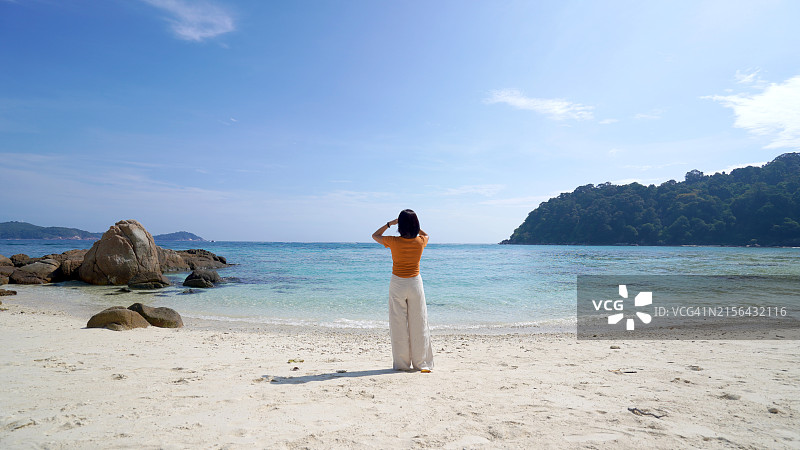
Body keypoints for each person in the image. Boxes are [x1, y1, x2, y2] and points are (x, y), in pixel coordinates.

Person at [372, 209, 434, 372]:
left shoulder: (393, 241)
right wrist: (416, 227)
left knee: (398, 323)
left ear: (400, 225)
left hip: (398, 283)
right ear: (415, 224)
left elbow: (375, 235)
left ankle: (402, 364)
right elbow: (427, 234)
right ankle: (421, 363)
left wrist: (389, 224)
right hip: (415, 283)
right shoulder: (421, 241)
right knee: (419, 322)